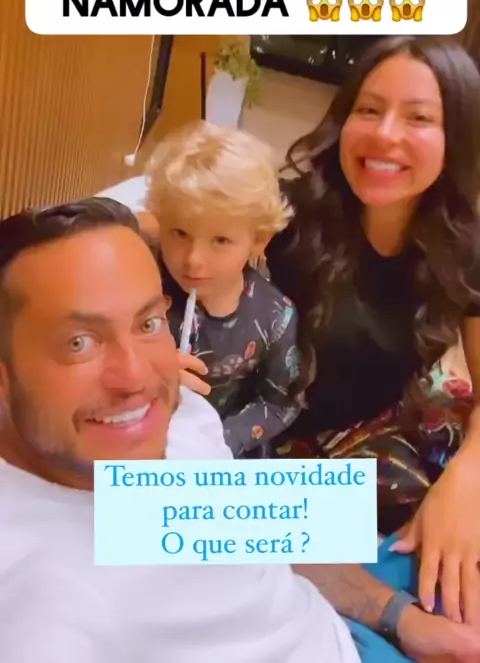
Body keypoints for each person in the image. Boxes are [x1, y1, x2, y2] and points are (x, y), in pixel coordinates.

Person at [1, 199, 479, 662]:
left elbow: (255, 535)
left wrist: (400, 617)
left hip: (350, 622)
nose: (135, 377)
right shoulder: (39, 599)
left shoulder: (177, 414)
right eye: (79, 343)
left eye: (147, 323)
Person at [264, 35, 480, 625]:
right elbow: (157, 221)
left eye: (419, 118)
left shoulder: (463, 246)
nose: (385, 134)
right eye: (368, 109)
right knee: (146, 515)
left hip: (372, 455)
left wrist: (467, 477)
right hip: (255, 462)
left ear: (456, 137)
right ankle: (403, 621)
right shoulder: (280, 214)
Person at [142, 120, 303, 458]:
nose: (193, 260)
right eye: (180, 233)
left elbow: (280, 403)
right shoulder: (137, 284)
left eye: (221, 240)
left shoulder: (275, 318)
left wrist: (217, 443)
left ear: (259, 240)